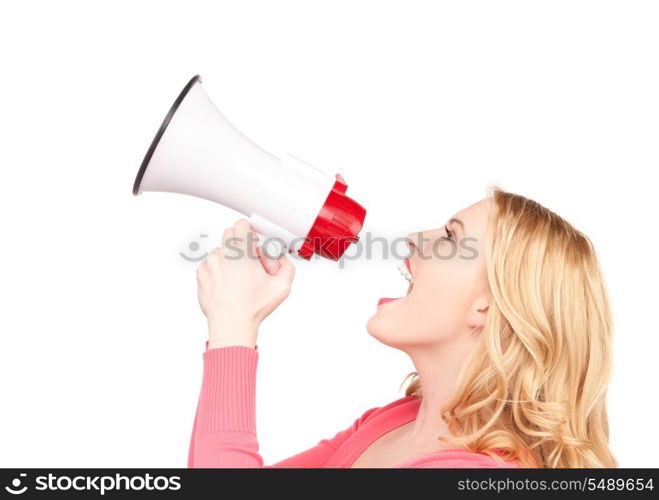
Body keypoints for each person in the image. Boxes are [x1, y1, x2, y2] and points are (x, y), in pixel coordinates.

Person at [187, 186, 617, 468]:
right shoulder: (391, 423)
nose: (414, 237)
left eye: (451, 237)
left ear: (488, 306)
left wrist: (233, 326)